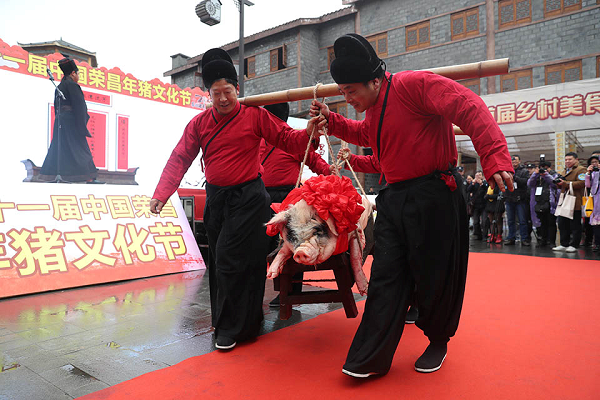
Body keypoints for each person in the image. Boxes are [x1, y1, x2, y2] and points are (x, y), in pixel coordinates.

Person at [310, 33, 513, 377]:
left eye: (352, 91)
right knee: (387, 274)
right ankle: (369, 358)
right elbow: (367, 135)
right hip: (394, 198)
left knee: (435, 274)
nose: (348, 99)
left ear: (375, 79)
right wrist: (335, 120)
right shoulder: (373, 108)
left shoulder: (415, 85)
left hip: (435, 194)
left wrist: (493, 155)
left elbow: (468, 105)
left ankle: (437, 341)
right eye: (342, 93)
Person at [149, 49, 326, 350]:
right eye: (216, 93)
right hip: (218, 200)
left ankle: (230, 330)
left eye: (227, 92)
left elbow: (287, 138)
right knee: (222, 262)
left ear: (237, 90)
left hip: (249, 198)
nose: (222, 99)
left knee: (234, 260)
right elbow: (180, 157)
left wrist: (308, 130)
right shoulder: (199, 124)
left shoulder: (255, 115)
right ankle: (239, 323)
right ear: (209, 94)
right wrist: (161, 193)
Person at [260, 102, 333, 307]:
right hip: (261, 197)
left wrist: (331, 173)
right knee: (265, 247)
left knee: (291, 245)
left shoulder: (292, 139)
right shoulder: (260, 139)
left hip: (287, 199)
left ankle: (289, 293)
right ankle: (277, 290)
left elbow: (316, 162)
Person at [40, 57, 99, 183]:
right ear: (73, 73)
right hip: (72, 121)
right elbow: (80, 106)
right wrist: (82, 124)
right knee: (81, 149)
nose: (78, 76)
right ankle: (88, 177)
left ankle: (56, 175)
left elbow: (57, 107)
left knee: (61, 148)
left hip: (61, 122)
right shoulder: (73, 85)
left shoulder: (59, 87)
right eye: (78, 74)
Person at [553, 152, 587, 253]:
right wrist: (559, 184)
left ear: (576, 160)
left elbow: (582, 183)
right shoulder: (564, 170)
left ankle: (574, 244)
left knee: (575, 223)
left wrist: (566, 183)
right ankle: (564, 243)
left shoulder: (581, 169)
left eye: (570, 159)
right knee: (562, 223)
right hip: (564, 199)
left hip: (575, 200)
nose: (567, 161)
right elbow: (562, 184)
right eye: (566, 159)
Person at [527, 161, 559, 247]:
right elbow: (529, 184)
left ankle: (551, 241)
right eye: (542, 168)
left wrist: (545, 175)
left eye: (546, 168)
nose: (544, 170)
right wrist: (535, 174)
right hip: (538, 202)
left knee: (551, 223)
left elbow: (554, 183)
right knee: (541, 223)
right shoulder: (537, 177)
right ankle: (543, 240)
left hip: (550, 202)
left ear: (550, 168)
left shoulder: (554, 175)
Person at [504, 155, 531, 246]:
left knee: (522, 220)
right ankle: (511, 238)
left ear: (519, 161)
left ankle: (524, 238)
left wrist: (514, 177)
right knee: (510, 220)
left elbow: (526, 182)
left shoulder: (524, 171)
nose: (514, 162)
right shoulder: (507, 171)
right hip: (509, 198)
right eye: (512, 161)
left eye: (515, 161)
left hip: (521, 199)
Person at [584, 154, 600, 252]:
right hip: (595, 200)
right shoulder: (592, 174)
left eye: (596, 162)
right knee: (596, 225)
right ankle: (597, 244)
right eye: (592, 162)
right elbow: (587, 185)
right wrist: (588, 173)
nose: (594, 164)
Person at [467, 171, 488, 240]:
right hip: (475, 205)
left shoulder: (485, 183)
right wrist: (473, 183)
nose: (478, 177)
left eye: (479, 175)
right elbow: (468, 190)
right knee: (475, 222)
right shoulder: (474, 183)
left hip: (484, 205)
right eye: (477, 175)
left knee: (484, 221)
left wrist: (481, 183)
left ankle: (485, 235)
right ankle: (478, 235)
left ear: (482, 176)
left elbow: (487, 189)